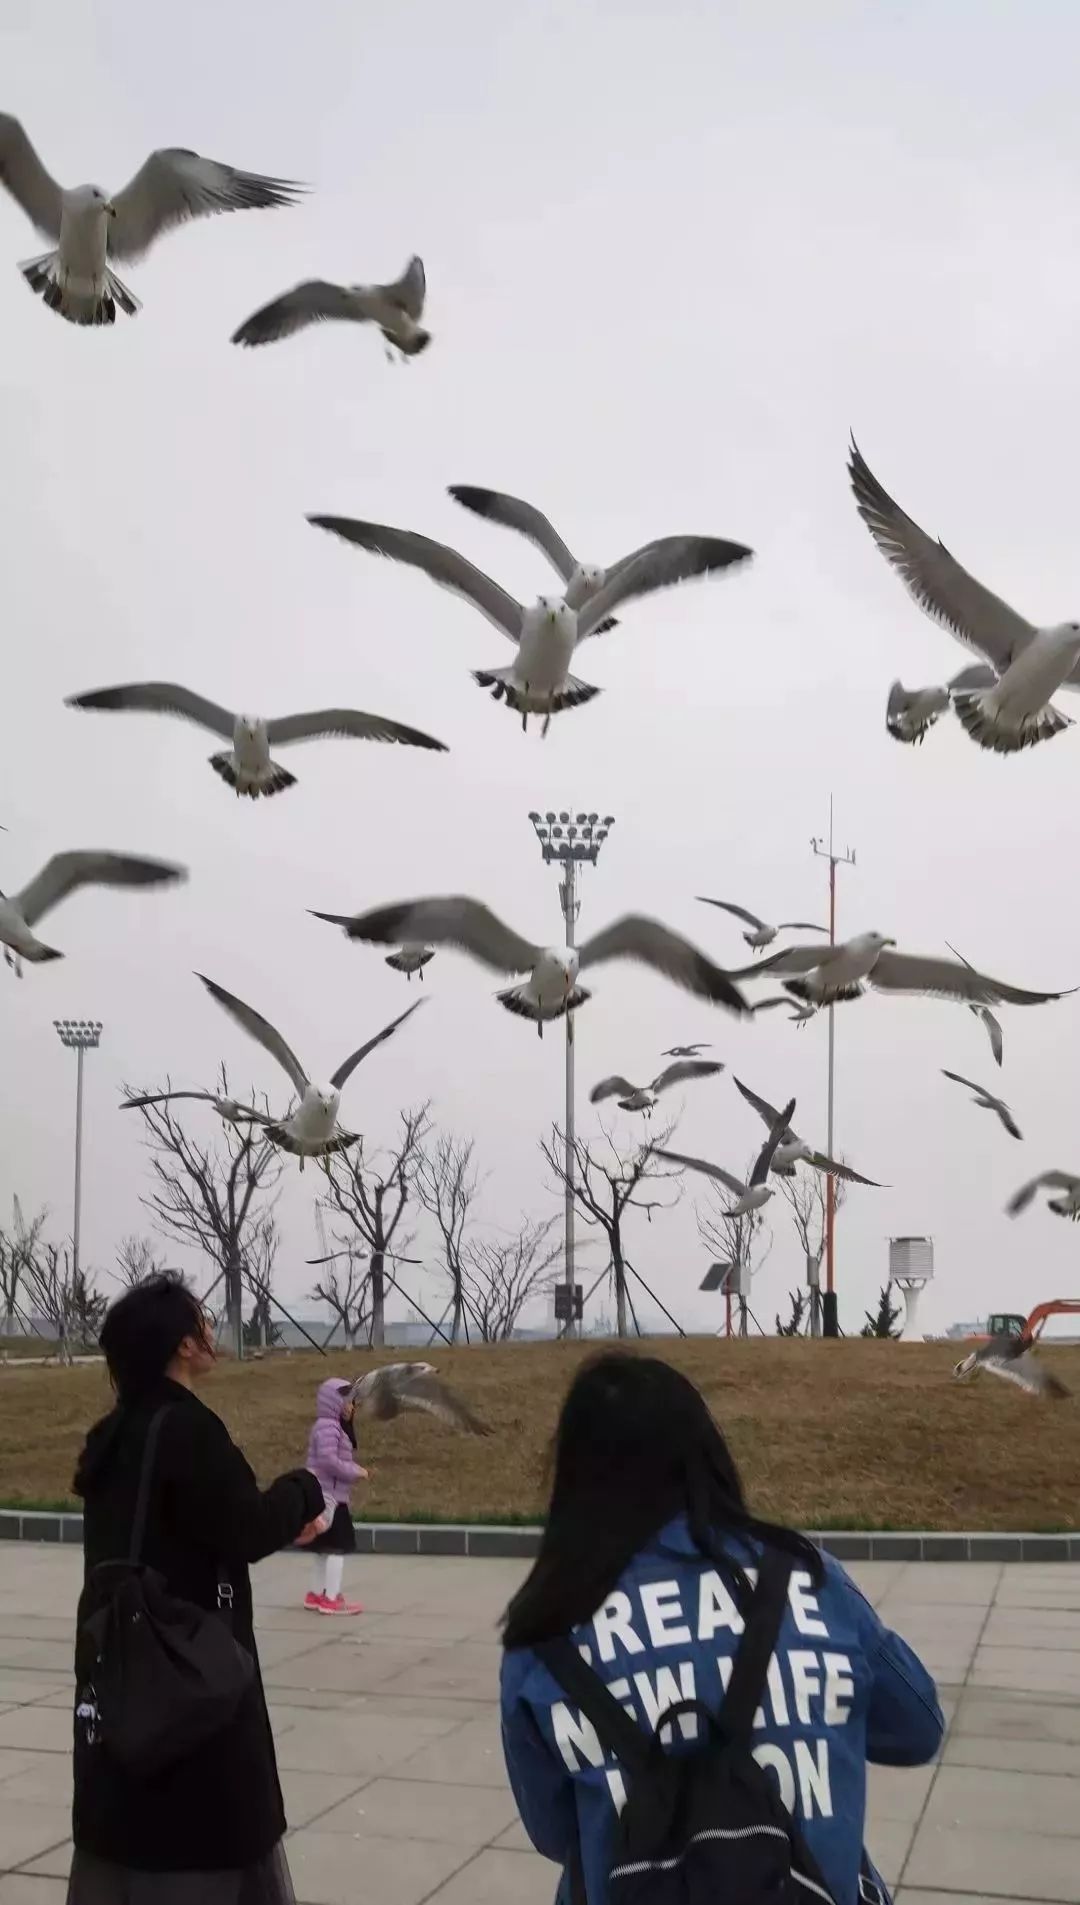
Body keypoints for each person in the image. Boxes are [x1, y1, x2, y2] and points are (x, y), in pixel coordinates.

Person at [500, 1353, 944, 1905]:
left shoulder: (545, 1632)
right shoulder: (808, 1579)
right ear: (705, 1453)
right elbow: (919, 1729)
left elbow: (553, 1832)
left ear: (572, 1474)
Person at [69, 1273, 326, 1905]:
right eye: (202, 1322)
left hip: (122, 1676)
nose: (211, 1332)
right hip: (189, 1690)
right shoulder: (186, 1430)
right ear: (183, 1344)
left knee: (127, 1841)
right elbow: (246, 1528)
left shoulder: (112, 1436)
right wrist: (305, 1489)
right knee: (205, 1850)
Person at [303, 1377, 368, 1615]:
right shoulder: (330, 1428)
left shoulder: (325, 1426)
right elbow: (329, 1461)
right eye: (349, 1402)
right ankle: (331, 1598)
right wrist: (355, 1471)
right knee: (337, 1549)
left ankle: (316, 1593)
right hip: (331, 1497)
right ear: (335, 1402)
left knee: (322, 1549)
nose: (352, 1407)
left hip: (323, 1496)